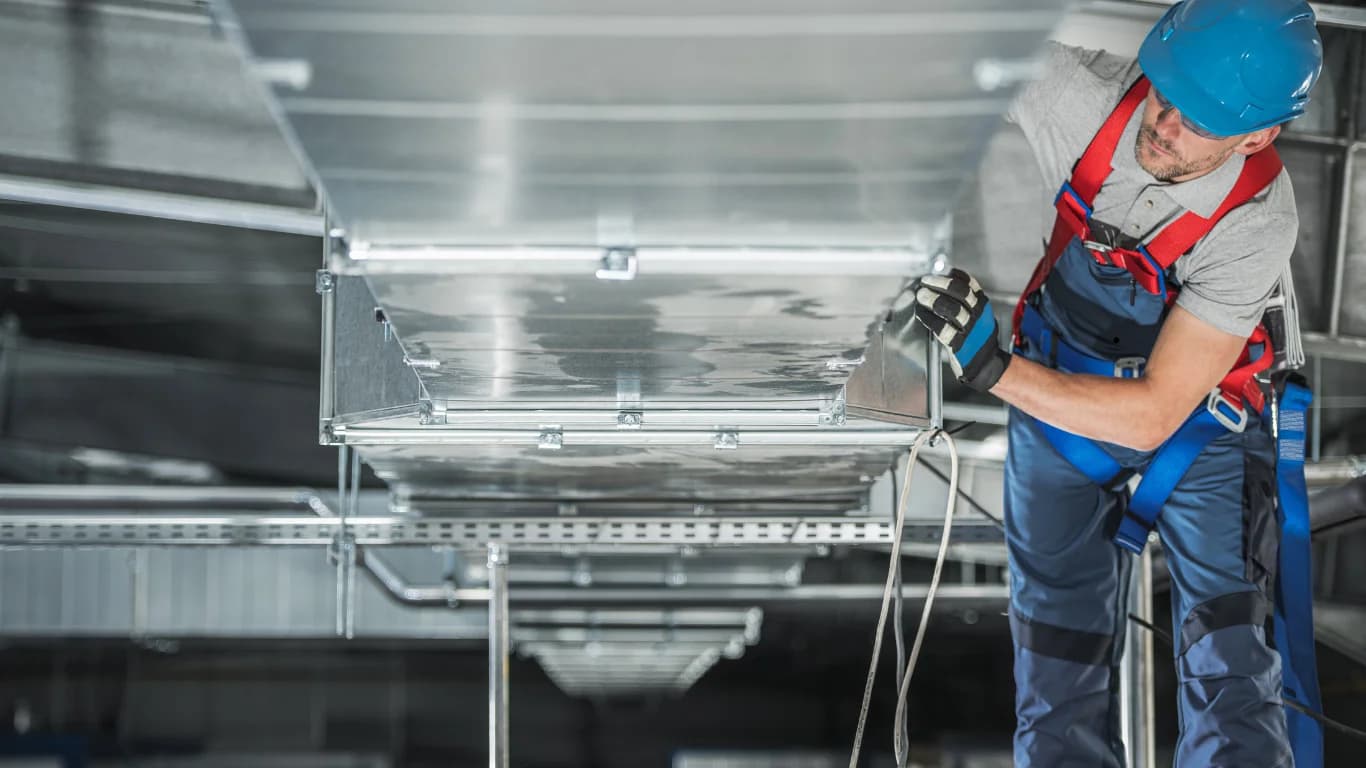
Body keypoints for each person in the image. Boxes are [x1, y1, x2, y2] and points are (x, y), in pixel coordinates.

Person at [900, 1, 1324, 765]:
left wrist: (993, 368)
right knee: (1056, 672)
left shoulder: (1256, 219)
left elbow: (1156, 413)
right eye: (1164, 95)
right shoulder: (1083, 101)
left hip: (1198, 429)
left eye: (1198, 122)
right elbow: (955, 34)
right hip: (1059, 394)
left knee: (1230, 670)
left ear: (1257, 136)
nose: (1162, 124)